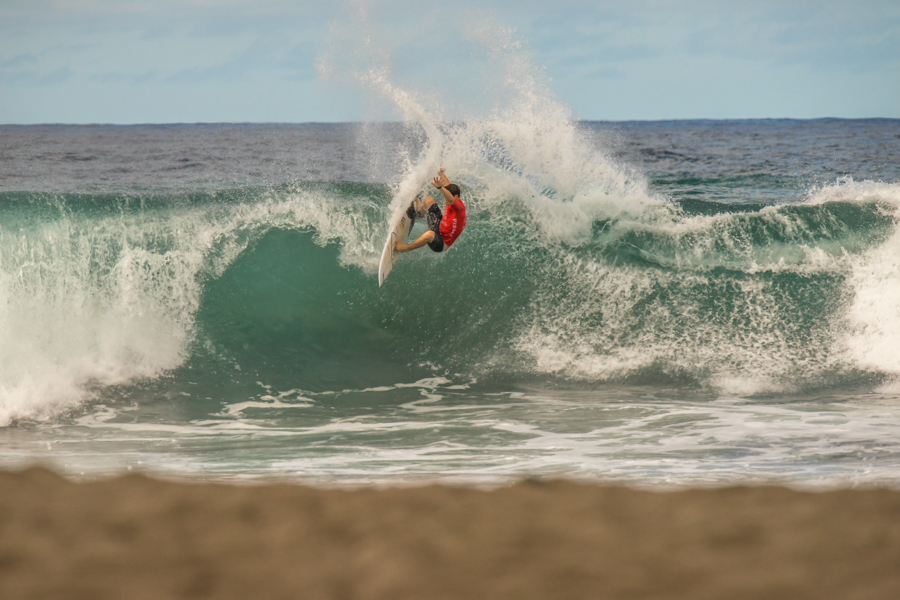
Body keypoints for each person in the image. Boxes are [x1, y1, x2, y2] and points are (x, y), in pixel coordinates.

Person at [394, 168, 467, 254]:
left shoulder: (459, 208)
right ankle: (419, 214)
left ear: (456, 196)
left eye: (447, 197)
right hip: (439, 226)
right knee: (428, 200)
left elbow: (450, 199)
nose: (445, 200)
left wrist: (440, 187)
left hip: (441, 243)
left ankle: (405, 248)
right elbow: (447, 184)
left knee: (429, 235)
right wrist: (440, 173)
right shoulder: (451, 192)